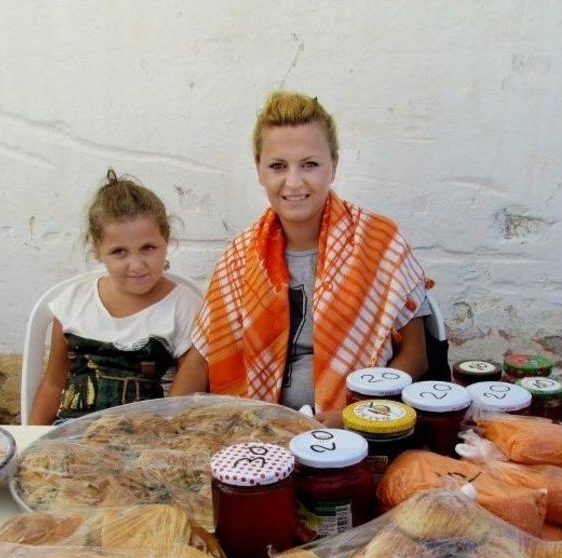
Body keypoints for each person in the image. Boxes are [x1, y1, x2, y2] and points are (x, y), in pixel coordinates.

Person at [175, 91, 429, 425]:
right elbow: (202, 358)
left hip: (359, 432)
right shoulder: (239, 256)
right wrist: (164, 427)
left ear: (333, 167)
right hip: (260, 433)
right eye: (278, 166)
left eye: (309, 164)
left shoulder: (380, 242)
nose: (294, 183)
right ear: (259, 171)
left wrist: (355, 415)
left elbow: (416, 356)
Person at [29, 170, 203, 424]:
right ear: (97, 250)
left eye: (148, 248)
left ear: (167, 241)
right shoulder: (72, 304)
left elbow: (181, 405)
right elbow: (54, 384)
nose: (136, 264)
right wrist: (29, 441)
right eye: (119, 252)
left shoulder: (184, 307)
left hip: (145, 443)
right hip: (69, 440)